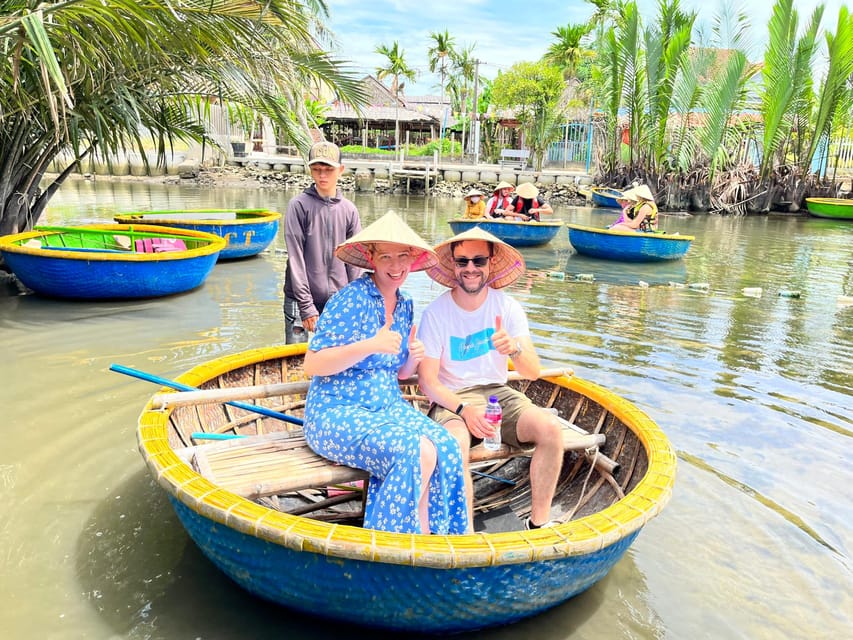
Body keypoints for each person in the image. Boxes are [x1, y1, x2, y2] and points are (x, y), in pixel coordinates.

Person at [302, 211, 469, 535]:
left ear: (413, 259)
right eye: (387, 257)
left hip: (387, 407)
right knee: (413, 450)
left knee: (445, 446)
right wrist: (368, 344)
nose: (396, 266)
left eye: (403, 257)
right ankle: (388, 542)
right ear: (371, 258)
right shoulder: (350, 300)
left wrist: (412, 359)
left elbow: (398, 373)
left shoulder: (406, 304)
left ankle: (428, 537)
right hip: (337, 411)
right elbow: (313, 364)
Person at [417, 227, 565, 531]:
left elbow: (532, 372)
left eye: (478, 260)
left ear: (491, 262)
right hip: (454, 399)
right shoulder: (436, 313)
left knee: (550, 429)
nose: (470, 268)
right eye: (462, 262)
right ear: (453, 265)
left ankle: (538, 523)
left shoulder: (507, 307)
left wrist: (515, 348)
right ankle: (465, 532)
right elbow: (428, 382)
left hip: (499, 395)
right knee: (455, 443)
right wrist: (464, 411)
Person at [283, 141, 362, 344]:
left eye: (328, 169)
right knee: (296, 359)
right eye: (317, 169)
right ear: (310, 170)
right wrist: (306, 306)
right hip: (299, 299)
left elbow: (355, 261)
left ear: (340, 170)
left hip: (338, 300)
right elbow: (295, 258)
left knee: (336, 357)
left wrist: (354, 300)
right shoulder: (298, 205)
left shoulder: (349, 210)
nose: (322, 175)